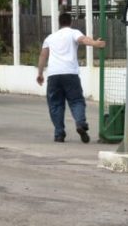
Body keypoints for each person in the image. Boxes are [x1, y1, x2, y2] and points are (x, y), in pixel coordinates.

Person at [36, 12, 105, 143]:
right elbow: (83, 40)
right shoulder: (73, 32)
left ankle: (59, 134)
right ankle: (80, 123)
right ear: (70, 22)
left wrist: (40, 73)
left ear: (59, 22)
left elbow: (43, 56)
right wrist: (96, 43)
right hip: (70, 73)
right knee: (76, 101)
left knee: (55, 104)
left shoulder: (50, 37)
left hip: (53, 75)